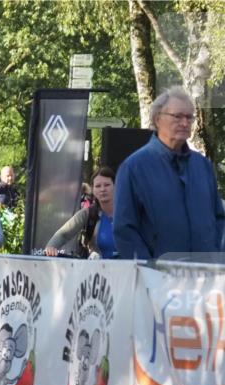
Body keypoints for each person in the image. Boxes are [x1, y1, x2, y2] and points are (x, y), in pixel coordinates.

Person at [114, 86, 224, 259]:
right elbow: (124, 229)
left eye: (189, 117)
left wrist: (214, 253)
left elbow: (218, 217)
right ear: (158, 119)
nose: (185, 123)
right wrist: (149, 268)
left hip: (205, 271)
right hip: (158, 273)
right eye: (177, 116)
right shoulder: (134, 168)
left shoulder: (203, 166)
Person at [44, 167, 118, 259]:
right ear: (93, 190)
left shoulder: (129, 212)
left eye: (107, 185)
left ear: (115, 186)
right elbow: (63, 234)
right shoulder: (88, 213)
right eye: (98, 186)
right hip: (98, 267)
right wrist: (51, 247)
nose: (102, 189)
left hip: (130, 266)